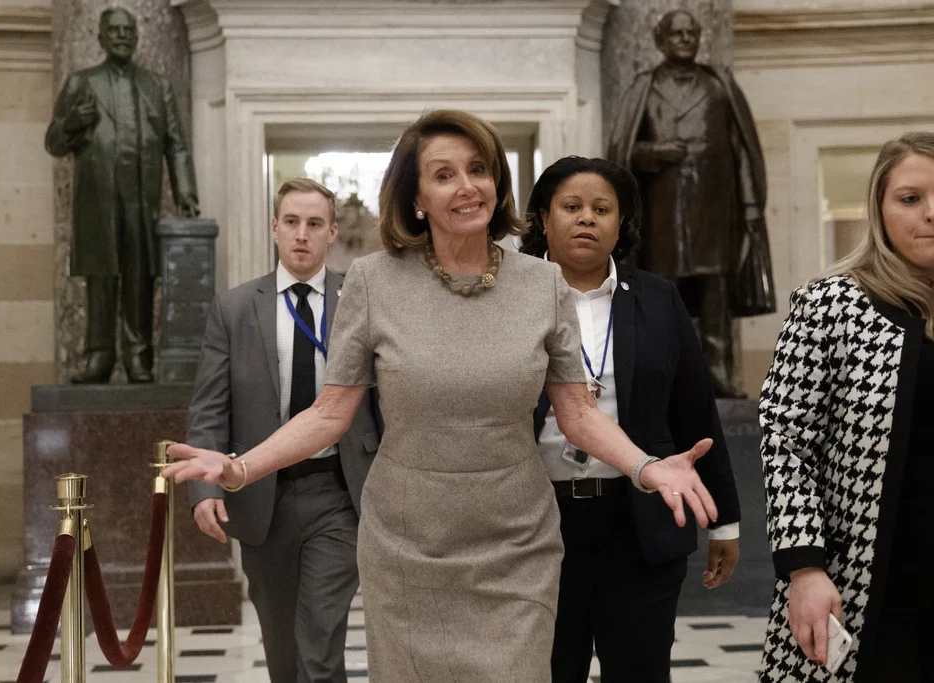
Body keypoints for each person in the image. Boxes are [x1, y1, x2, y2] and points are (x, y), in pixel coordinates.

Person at [165, 110, 720, 682]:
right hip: (407, 546)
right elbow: (329, 413)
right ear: (416, 198)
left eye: (478, 169)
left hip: (516, 544)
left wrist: (645, 467)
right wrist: (239, 468)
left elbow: (577, 412)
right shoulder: (373, 282)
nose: (467, 186)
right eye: (444, 174)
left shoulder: (543, 283)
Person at [519, 156, 742, 683]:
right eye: (571, 207)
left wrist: (725, 522)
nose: (587, 218)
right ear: (544, 219)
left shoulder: (657, 298)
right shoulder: (512, 297)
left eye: (602, 209)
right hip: (536, 524)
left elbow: (695, 411)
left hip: (638, 523)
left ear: (621, 226)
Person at [185, 178, 382, 683]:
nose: (302, 234)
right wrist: (205, 488)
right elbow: (210, 409)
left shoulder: (359, 301)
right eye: (291, 222)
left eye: (314, 224)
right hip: (261, 498)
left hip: (339, 492)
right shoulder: (234, 309)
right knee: (282, 649)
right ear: (274, 228)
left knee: (320, 643)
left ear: (332, 232)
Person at [759, 132, 934, 682]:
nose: (930, 214)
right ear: (879, 209)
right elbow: (786, 440)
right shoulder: (831, 304)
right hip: (865, 582)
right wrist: (804, 568)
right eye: (910, 198)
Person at [607, 9, 774, 398]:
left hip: (714, 213)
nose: (685, 39)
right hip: (663, 214)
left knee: (716, 294)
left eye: (691, 33)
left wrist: (751, 207)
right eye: (676, 33)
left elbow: (743, 152)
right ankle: (668, 376)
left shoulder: (719, 86)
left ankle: (719, 374)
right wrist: (655, 152)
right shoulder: (645, 88)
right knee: (664, 292)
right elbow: (620, 153)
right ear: (661, 41)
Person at [45, 7, 199, 384]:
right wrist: (72, 124)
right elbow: (53, 142)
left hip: (141, 202)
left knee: (140, 278)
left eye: (128, 30)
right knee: (101, 278)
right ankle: (99, 356)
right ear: (100, 38)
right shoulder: (81, 83)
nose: (121, 36)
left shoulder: (157, 86)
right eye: (113, 30)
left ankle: (138, 356)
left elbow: (176, 145)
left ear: (137, 37)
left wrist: (186, 192)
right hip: (97, 203)